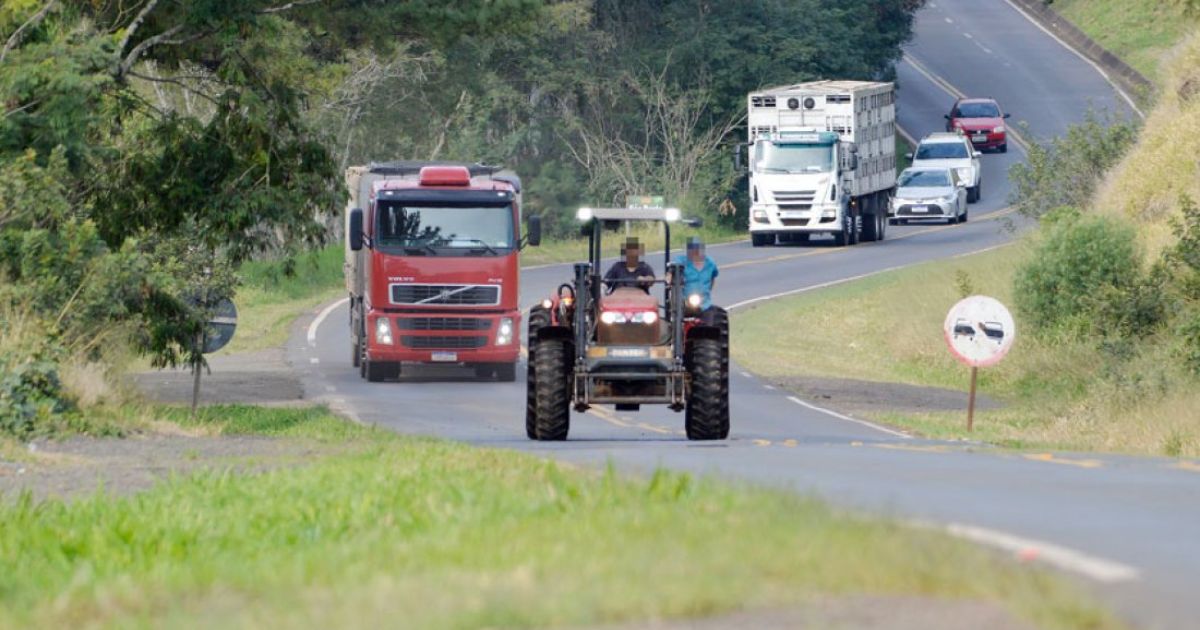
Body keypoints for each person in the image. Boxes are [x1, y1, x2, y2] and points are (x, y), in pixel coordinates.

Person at [672, 237, 720, 324]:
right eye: (692, 249)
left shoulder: (710, 263)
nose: (695, 252)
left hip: (704, 304)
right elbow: (672, 270)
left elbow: (713, 278)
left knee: (710, 325)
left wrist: (707, 291)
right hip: (685, 304)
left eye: (697, 249)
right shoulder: (681, 261)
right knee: (678, 322)